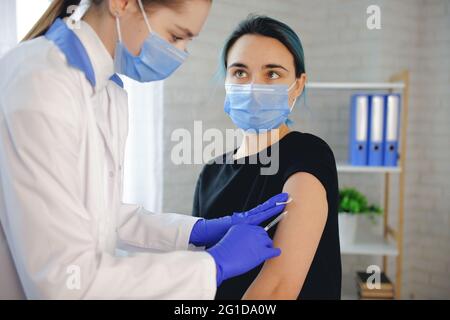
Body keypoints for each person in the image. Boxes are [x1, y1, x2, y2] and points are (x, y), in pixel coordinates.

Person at [0, 0, 287, 299]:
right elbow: (65, 281)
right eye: (176, 36)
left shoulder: (109, 92)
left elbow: (105, 218)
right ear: (121, 4)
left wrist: (196, 231)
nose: (180, 53)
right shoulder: (41, 82)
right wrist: (212, 266)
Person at [193, 15, 342, 299]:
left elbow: (278, 288)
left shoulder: (309, 155)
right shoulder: (211, 173)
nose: (253, 88)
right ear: (226, 81)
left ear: (297, 85)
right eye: (239, 73)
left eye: (272, 74)